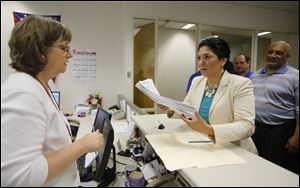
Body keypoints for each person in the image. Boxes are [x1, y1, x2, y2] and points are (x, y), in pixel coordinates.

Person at [1, 15, 104, 186]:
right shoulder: (23, 92)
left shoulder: (39, 84)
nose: (70, 54)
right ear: (40, 51)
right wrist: (81, 146)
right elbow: (20, 178)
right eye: (64, 48)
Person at [161, 36, 257, 154]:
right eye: (199, 58)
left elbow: (246, 126)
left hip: (234, 149)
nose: (201, 63)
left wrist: (208, 130)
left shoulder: (241, 84)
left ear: (223, 60)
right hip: (206, 145)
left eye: (207, 57)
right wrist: (171, 109)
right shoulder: (197, 81)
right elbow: (187, 109)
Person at [252, 41, 299, 174]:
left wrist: (296, 137)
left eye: (279, 53)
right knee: (257, 166)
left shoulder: (295, 76)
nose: (273, 55)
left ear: (287, 56)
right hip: (257, 130)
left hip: (281, 132)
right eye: (270, 52)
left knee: (279, 170)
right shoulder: (255, 75)